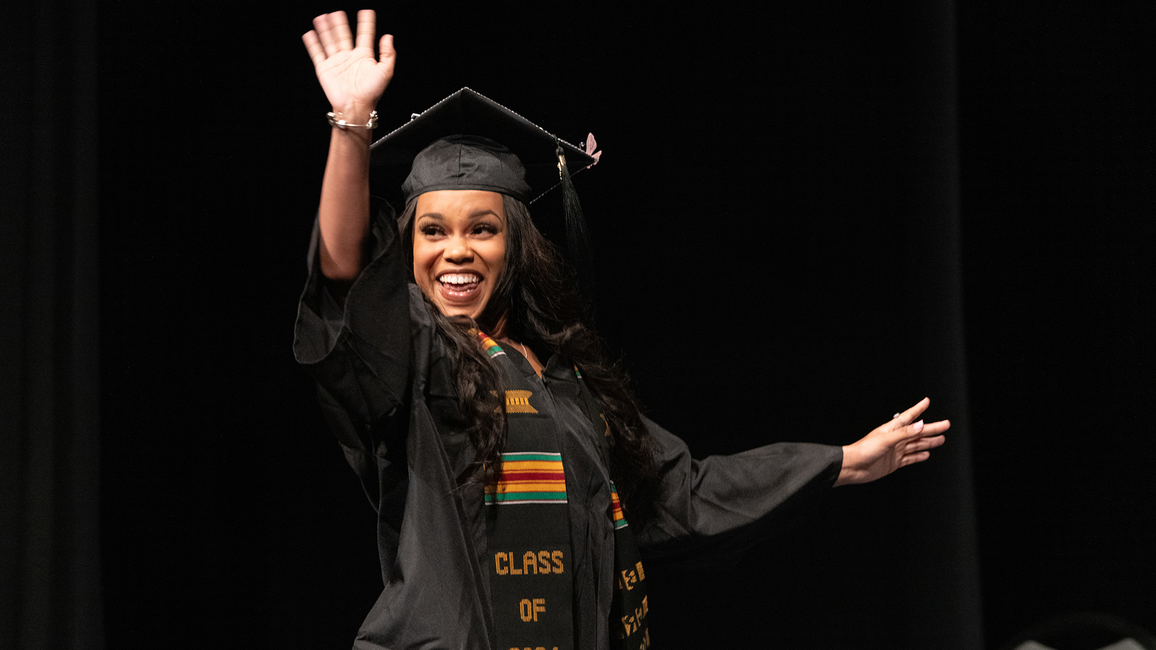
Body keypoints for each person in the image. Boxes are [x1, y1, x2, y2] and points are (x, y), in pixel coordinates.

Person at [294, 10, 949, 650]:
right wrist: (351, 124)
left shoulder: (567, 379)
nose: (456, 250)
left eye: (482, 229)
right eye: (432, 231)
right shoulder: (414, 354)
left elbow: (678, 495)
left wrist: (840, 463)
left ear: (515, 245)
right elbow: (347, 278)